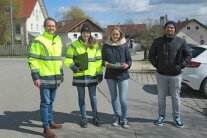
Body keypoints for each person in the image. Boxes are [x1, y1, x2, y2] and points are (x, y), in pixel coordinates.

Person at [148, 20, 192, 128]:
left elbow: (188, 55)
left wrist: (181, 65)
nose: (170, 29)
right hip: (161, 74)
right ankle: (161, 116)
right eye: (168, 27)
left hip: (175, 75)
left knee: (175, 98)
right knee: (161, 97)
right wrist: (156, 65)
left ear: (175, 30)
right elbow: (151, 55)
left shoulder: (181, 41)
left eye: (172, 27)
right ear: (165, 29)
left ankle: (176, 117)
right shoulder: (157, 41)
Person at [28, 17, 64, 138]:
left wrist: (61, 74)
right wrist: (35, 76)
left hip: (55, 77)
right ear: (44, 27)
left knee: (51, 101)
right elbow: (33, 59)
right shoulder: (39, 40)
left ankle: (50, 121)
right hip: (43, 77)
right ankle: (46, 128)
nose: (51, 28)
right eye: (48, 26)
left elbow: (58, 59)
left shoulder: (58, 40)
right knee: (45, 103)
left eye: (53, 26)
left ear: (56, 27)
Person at [64, 24, 103, 128]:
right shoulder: (74, 45)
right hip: (79, 75)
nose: (86, 34)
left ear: (90, 33)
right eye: (85, 32)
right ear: (81, 33)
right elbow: (67, 59)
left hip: (92, 75)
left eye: (88, 32)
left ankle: (95, 117)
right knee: (81, 98)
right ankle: (84, 118)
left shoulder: (95, 45)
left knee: (93, 98)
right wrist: (74, 67)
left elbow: (99, 61)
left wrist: (100, 73)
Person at [102, 27, 132, 129]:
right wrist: (104, 63)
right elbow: (102, 60)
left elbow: (129, 60)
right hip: (110, 75)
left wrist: (127, 65)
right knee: (114, 98)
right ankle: (117, 117)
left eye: (117, 34)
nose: (115, 36)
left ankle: (125, 118)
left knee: (123, 99)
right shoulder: (106, 46)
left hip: (122, 75)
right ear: (110, 35)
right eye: (113, 34)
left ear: (120, 35)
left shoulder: (124, 45)